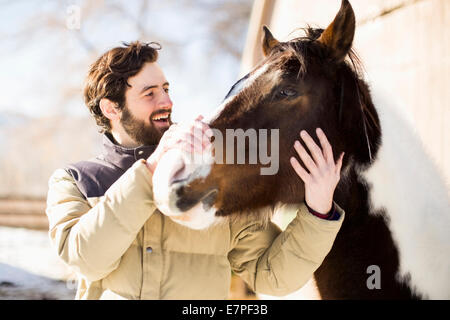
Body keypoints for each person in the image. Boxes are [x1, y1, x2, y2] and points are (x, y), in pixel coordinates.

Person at [45, 41, 345, 300]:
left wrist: (319, 212)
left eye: (165, 89)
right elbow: (86, 259)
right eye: (150, 94)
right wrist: (150, 169)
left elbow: (272, 276)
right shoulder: (77, 181)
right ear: (112, 109)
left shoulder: (214, 172)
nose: (167, 102)